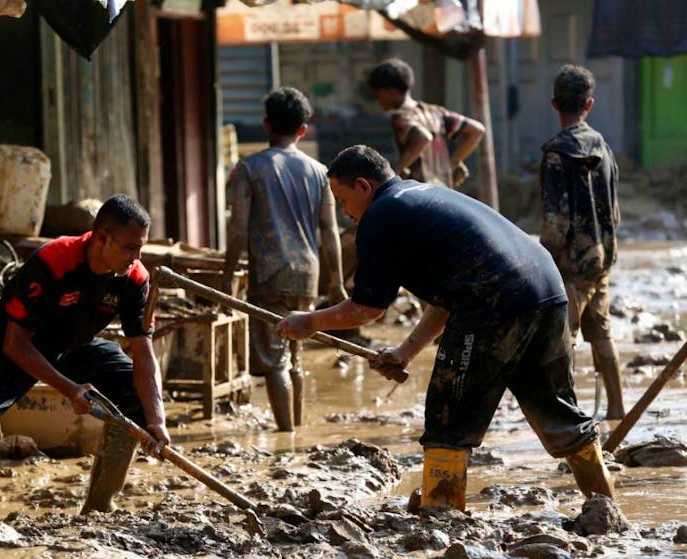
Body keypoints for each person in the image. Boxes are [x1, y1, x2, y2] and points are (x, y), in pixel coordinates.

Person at [275, 145, 615, 511]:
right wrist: (405, 351)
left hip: (494, 303)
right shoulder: (423, 196)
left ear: (363, 186)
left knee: (448, 419)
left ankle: (441, 520)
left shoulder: (382, 215)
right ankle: (607, 512)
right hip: (546, 291)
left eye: (343, 201)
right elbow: (447, 299)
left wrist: (309, 322)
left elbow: (366, 308)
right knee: (558, 413)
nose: (346, 213)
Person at [0, 194, 171, 514]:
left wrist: (156, 420)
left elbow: (143, 350)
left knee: (135, 393)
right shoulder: (53, 261)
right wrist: (71, 389)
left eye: (141, 247)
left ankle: (100, 504)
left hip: (71, 346)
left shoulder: (135, 278)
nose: (137, 256)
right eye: (131, 247)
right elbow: (15, 344)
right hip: (6, 348)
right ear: (101, 237)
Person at [222, 87, 346, 432]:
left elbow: (237, 229)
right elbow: (329, 231)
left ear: (266, 125)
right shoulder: (320, 172)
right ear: (303, 130)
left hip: (270, 272)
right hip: (309, 272)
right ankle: (296, 428)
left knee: (276, 359)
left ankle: (287, 434)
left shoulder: (250, 168)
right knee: (295, 356)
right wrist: (335, 282)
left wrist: (228, 274)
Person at [541, 64, 624, 420]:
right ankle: (617, 409)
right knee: (601, 333)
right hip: (602, 256)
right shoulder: (602, 146)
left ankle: (568, 415)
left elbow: (556, 221)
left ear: (554, 104)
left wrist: (544, 259)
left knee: (563, 339)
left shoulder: (556, 152)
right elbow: (615, 208)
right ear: (588, 105)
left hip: (571, 263)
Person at [367, 57, 485, 188]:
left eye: (378, 95)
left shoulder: (401, 117)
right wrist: (455, 161)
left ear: (391, 92)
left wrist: (397, 171)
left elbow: (423, 138)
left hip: (420, 192)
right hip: (444, 189)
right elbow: (477, 130)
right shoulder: (436, 112)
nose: (378, 101)